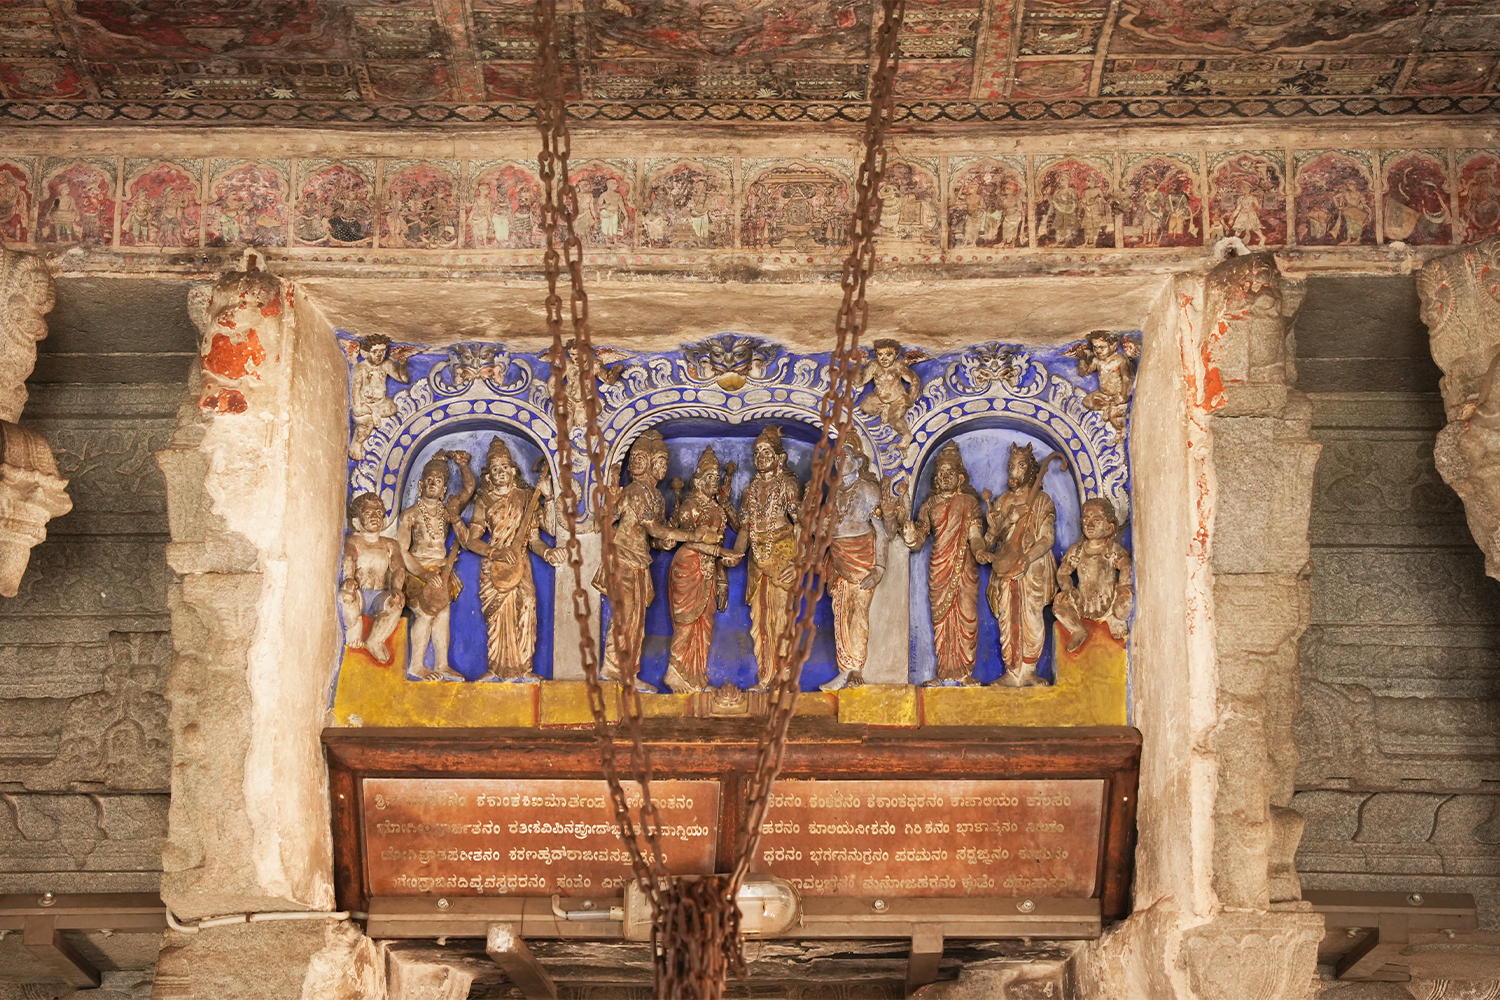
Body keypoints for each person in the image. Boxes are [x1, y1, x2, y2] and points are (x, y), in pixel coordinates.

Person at [594, 429, 705, 682]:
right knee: (625, 614)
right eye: (661, 462)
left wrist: (665, 542)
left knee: (637, 621)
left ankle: (628, 670)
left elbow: (654, 536)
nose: (664, 468)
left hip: (640, 560)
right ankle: (613, 668)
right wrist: (690, 536)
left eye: (665, 462)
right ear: (647, 464)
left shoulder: (656, 496)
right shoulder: (634, 490)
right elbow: (653, 527)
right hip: (622, 558)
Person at [461, 438, 564, 681]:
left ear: (513, 470)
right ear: (488, 476)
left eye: (505, 468)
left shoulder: (526, 496)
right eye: (495, 469)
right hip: (495, 565)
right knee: (498, 618)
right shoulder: (484, 500)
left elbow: (539, 536)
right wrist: (495, 552)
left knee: (527, 606)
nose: (501, 473)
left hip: (521, 564)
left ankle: (523, 669)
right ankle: (498, 669)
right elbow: (471, 540)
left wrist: (548, 499)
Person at [901, 442, 988, 685]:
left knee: (966, 615)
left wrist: (981, 552)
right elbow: (919, 539)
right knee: (941, 620)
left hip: (964, 566)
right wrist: (910, 535)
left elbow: (975, 536)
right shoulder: (929, 505)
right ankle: (945, 672)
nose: (946, 477)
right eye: (941, 474)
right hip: (939, 565)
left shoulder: (968, 503)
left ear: (960, 477)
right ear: (936, 478)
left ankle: (965, 672)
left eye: (951, 473)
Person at [725, 426, 803, 690]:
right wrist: (734, 554)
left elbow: (803, 524)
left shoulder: (788, 486)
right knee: (760, 624)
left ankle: (784, 677)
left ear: (780, 458)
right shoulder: (749, 491)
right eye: (757, 452)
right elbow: (745, 529)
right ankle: (766, 677)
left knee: (782, 620)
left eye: (766, 452)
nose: (760, 457)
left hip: (783, 559)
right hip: (757, 562)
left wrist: (800, 563)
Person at [984, 444, 1061, 688]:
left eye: (1020, 466)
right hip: (1006, 567)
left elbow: (1047, 538)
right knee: (1008, 618)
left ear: (1031, 470)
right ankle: (1011, 672)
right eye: (1011, 466)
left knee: (1032, 617)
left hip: (1033, 568)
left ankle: (1028, 671)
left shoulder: (1042, 500)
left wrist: (1027, 559)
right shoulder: (1004, 500)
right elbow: (989, 540)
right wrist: (1009, 519)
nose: (1014, 472)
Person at [663, 447, 738, 693]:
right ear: (698, 480)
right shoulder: (690, 505)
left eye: (717, 478)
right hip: (689, 566)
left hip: (709, 571)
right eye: (710, 477)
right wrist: (719, 553)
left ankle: (695, 677)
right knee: (686, 621)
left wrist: (723, 581)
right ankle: (674, 671)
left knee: (705, 624)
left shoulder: (718, 509)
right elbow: (689, 540)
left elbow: (719, 543)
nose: (714, 482)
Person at [396, 451, 476, 680]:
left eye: (438, 481)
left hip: (442, 570)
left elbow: (469, 490)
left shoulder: (447, 512)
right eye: (429, 480)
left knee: (443, 614)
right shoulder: (410, 515)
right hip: (417, 571)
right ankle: (416, 665)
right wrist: (422, 573)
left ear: (444, 490)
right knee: (425, 614)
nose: (433, 484)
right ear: (421, 485)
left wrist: (463, 465)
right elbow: (402, 550)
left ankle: (442, 664)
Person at [821, 441, 887, 692]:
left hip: (862, 558)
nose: (839, 462)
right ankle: (845, 668)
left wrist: (879, 567)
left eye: (844, 456)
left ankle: (856, 667)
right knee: (840, 610)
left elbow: (881, 532)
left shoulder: (869, 490)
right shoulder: (834, 493)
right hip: (838, 557)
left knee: (858, 612)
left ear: (858, 462)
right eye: (835, 459)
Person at [1054, 497, 1134, 652]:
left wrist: (1123, 585)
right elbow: (1063, 573)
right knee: (1058, 605)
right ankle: (1077, 629)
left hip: (1109, 601)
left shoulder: (1112, 549)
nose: (1089, 525)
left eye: (1096, 520)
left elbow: (1126, 566)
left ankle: (1114, 619)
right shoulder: (1077, 550)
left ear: (1109, 528)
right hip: (1083, 601)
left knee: (1125, 604)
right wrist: (1067, 589)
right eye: (1086, 520)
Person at [338, 492, 406, 664]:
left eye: (378, 513)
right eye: (368, 513)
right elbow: (349, 558)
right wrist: (348, 578)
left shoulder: (390, 544)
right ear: (356, 521)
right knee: (345, 595)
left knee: (396, 603)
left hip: (379, 596)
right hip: (359, 594)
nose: (375, 516)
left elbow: (398, 569)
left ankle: (375, 640)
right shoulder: (354, 541)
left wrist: (397, 589)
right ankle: (353, 627)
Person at [349, 334, 410, 461]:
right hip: (364, 404)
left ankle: (374, 413)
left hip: (380, 403)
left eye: (382, 351)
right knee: (367, 423)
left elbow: (403, 379)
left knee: (393, 408)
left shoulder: (386, 364)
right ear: (365, 353)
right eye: (375, 352)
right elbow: (355, 393)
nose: (379, 355)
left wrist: (402, 366)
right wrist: (362, 408)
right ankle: (357, 444)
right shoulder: (361, 368)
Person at [855, 339, 922, 448]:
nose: (884, 358)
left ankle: (906, 435)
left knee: (894, 418)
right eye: (880, 354)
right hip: (880, 397)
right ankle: (885, 407)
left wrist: (909, 398)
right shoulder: (874, 365)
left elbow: (914, 380)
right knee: (865, 406)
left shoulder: (898, 366)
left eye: (889, 354)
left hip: (897, 398)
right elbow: (862, 381)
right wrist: (856, 374)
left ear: (896, 355)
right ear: (876, 354)